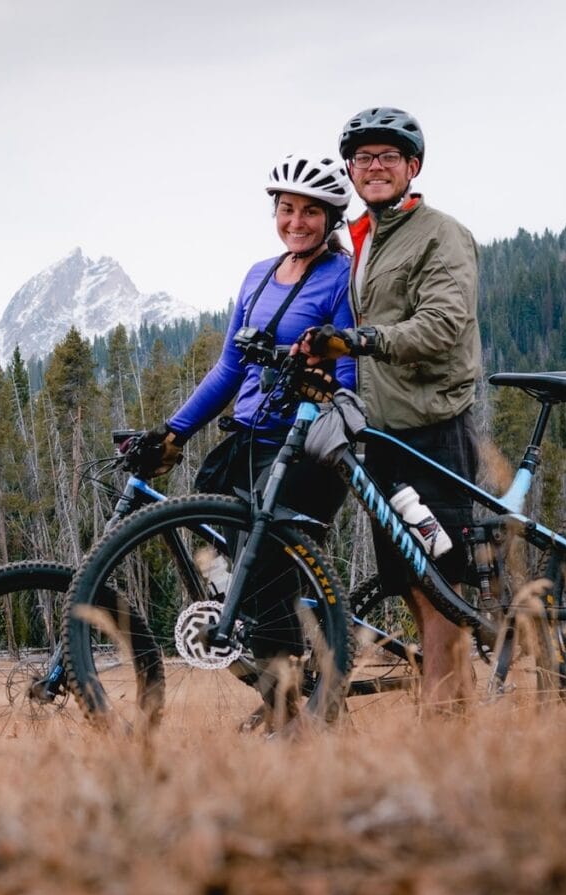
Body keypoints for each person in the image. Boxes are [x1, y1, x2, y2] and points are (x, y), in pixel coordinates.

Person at [137, 152, 355, 717]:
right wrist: (174, 432)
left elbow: (348, 371)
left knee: (264, 576)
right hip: (245, 441)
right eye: (287, 209)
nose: (297, 221)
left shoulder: (342, 278)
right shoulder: (257, 275)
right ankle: (282, 691)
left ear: (331, 218)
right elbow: (229, 369)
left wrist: (315, 380)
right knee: (213, 560)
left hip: (302, 448)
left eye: (311, 211)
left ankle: (302, 714)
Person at [297, 107, 482, 711]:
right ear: (351, 170)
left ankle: (444, 728)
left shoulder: (439, 233)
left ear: (412, 167)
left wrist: (360, 340)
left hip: (432, 430)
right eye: (364, 159)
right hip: (384, 435)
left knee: (441, 587)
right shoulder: (365, 240)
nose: (375, 168)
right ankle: (452, 711)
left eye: (388, 158)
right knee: (411, 583)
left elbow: (444, 324)